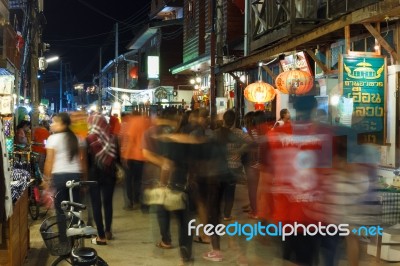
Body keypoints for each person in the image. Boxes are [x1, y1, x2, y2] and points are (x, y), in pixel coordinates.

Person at [43, 112, 86, 243]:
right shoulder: (78, 138)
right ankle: (76, 237)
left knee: (60, 210)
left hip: (59, 178)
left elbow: (49, 161)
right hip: (75, 177)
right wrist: (84, 179)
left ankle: (64, 239)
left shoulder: (52, 139)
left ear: (63, 124)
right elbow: (83, 162)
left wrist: (46, 179)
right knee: (75, 208)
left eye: (55, 122)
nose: (52, 124)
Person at [86, 114, 118, 245]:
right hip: (109, 173)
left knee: (96, 204)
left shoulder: (89, 138)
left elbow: (87, 160)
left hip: (94, 175)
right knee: (108, 203)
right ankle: (108, 230)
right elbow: (117, 157)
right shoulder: (112, 137)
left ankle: (101, 236)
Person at [119, 110, 151, 211]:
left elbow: (130, 140)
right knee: (140, 180)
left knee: (129, 181)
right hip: (143, 156)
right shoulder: (146, 121)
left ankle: (131, 203)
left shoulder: (132, 122)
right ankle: (140, 202)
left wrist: (126, 156)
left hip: (132, 156)